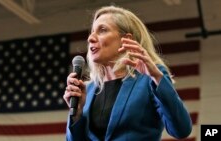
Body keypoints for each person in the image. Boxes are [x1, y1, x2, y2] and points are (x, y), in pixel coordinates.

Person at [63, 5, 192, 141]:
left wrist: (157, 77)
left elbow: (181, 130)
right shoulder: (87, 90)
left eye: (102, 30)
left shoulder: (149, 79)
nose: (90, 38)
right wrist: (77, 115)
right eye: (92, 32)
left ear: (126, 40)